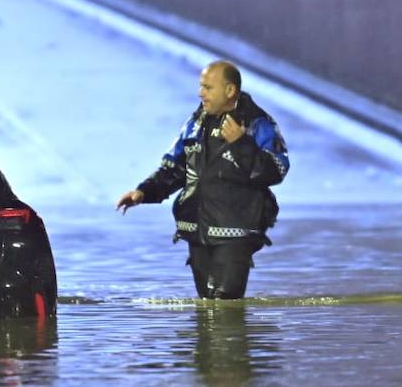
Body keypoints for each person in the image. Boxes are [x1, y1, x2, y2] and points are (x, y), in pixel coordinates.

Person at [116, 60, 289, 299]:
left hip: (235, 232)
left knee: (224, 309)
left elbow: (276, 170)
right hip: (196, 229)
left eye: (208, 87)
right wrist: (144, 192)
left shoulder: (257, 123)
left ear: (230, 91)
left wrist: (241, 144)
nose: (201, 93)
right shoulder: (195, 123)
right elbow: (175, 167)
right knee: (207, 307)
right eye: (201, 86)